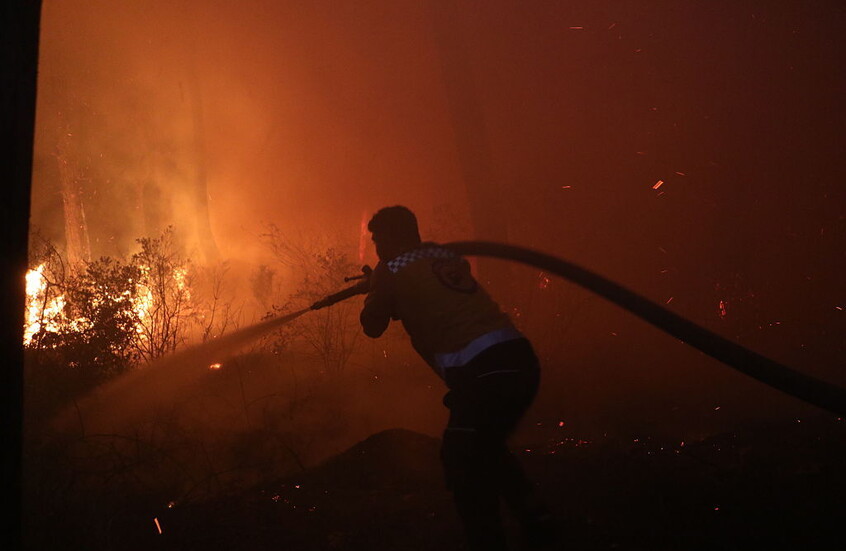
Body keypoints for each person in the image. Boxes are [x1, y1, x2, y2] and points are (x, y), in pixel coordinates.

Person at [358, 205, 557, 550]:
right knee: (484, 445)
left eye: (377, 240)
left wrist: (377, 287)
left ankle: (492, 540)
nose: (376, 247)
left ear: (390, 238)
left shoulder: (391, 270)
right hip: (519, 362)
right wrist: (381, 284)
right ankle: (538, 523)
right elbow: (423, 289)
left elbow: (372, 326)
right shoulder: (441, 255)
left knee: (462, 457)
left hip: (486, 372)